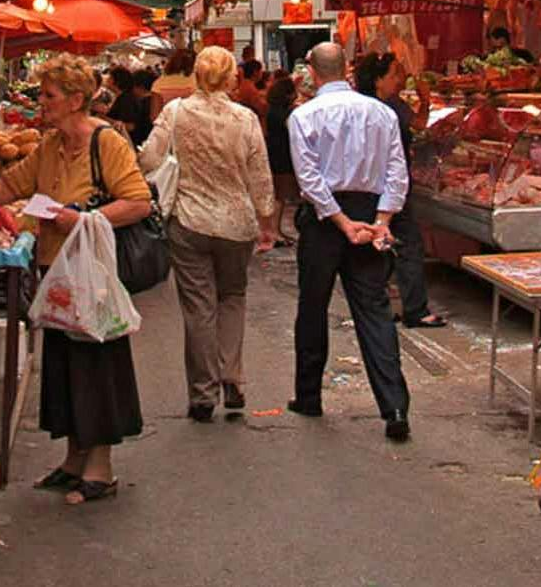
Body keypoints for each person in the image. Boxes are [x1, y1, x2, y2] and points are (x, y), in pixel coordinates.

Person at [0, 55, 153, 503]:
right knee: (63, 366)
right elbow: (6, 189)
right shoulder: (48, 146)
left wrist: (79, 218)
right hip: (55, 272)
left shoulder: (106, 142)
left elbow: (139, 202)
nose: (41, 103)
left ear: (76, 100)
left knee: (96, 365)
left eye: (48, 96)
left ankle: (101, 466)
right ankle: (73, 460)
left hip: (92, 275)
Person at [138, 46, 276, 422]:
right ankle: (232, 376)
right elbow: (260, 173)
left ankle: (203, 393)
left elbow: (149, 159)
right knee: (232, 296)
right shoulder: (244, 118)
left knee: (199, 307)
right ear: (231, 77)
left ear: (197, 76)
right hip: (237, 223)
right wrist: (267, 220)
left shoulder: (176, 112)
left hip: (190, 220)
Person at [287, 42, 413, 441]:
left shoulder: (303, 116)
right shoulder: (382, 113)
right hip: (369, 212)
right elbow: (397, 171)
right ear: (346, 69)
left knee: (313, 305)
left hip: (327, 220)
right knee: (374, 309)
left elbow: (309, 179)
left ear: (312, 70)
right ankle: (394, 405)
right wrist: (382, 220)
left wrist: (341, 222)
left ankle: (308, 395)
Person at [357, 54, 447, 329]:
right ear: (378, 80)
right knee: (409, 245)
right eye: (395, 73)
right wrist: (426, 99)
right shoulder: (392, 106)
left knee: (383, 241)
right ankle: (415, 309)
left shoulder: (367, 106)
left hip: (373, 187)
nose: (401, 78)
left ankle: (379, 303)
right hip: (394, 189)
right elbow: (420, 125)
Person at [262, 74, 300, 247]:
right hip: (282, 156)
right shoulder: (285, 114)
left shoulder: (272, 110)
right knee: (279, 195)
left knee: (278, 195)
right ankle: (274, 232)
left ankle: (275, 230)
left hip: (274, 153)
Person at [150, 48, 197, 120]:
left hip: (167, 126)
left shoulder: (159, 83)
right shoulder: (197, 82)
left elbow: (154, 116)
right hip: (192, 125)